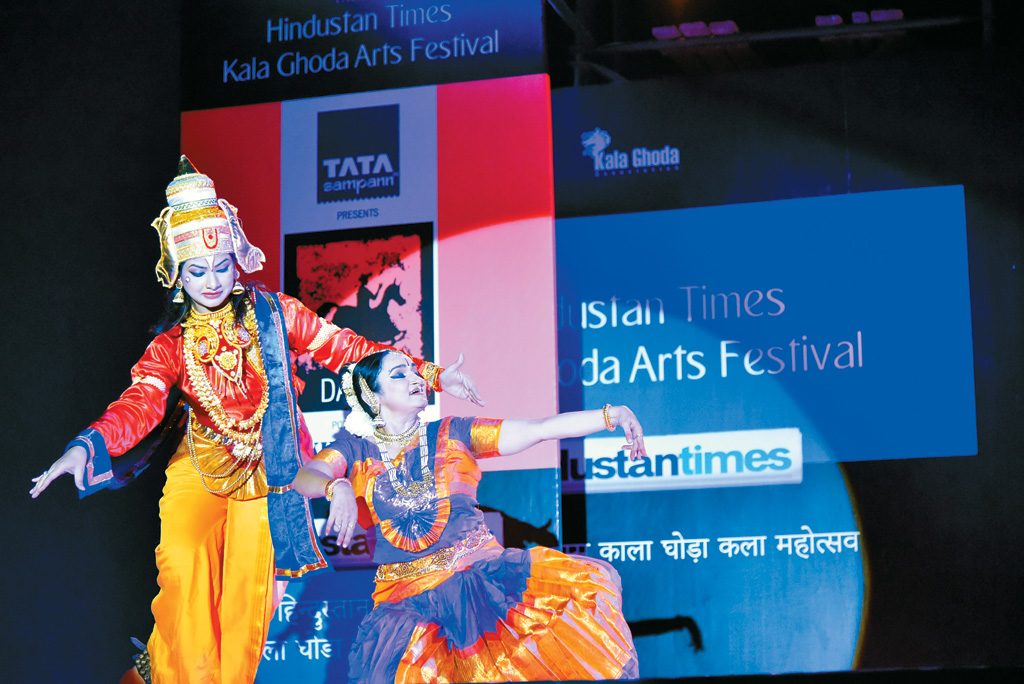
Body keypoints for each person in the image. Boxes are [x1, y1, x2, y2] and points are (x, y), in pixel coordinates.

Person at [28, 157, 483, 684]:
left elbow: (346, 348)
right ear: (177, 270)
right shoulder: (170, 346)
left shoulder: (273, 313)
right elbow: (140, 403)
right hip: (199, 469)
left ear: (235, 258)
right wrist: (86, 447)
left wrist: (429, 375)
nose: (213, 280)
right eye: (197, 271)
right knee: (183, 570)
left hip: (272, 473)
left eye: (222, 266)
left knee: (248, 606)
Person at [293, 350, 646, 682]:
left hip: (481, 584)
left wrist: (612, 416)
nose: (416, 378)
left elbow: (538, 428)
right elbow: (306, 477)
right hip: (405, 604)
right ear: (374, 396)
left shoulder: (453, 433)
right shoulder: (356, 451)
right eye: (399, 374)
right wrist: (335, 487)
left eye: (416, 371)